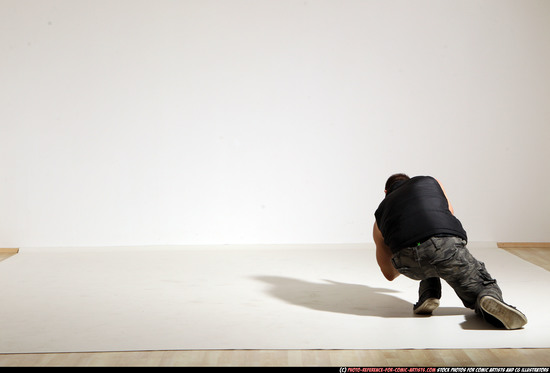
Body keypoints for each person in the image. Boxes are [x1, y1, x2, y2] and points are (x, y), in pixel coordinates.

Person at [373, 173, 527, 329]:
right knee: (484, 285)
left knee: (427, 261)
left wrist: (412, 250)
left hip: (407, 262)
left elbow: (389, 274)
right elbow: (448, 213)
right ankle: (487, 296)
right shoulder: (430, 182)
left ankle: (429, 294)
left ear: (386, 192)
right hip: (444, 248)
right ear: (410, 181)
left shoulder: (379, 214)